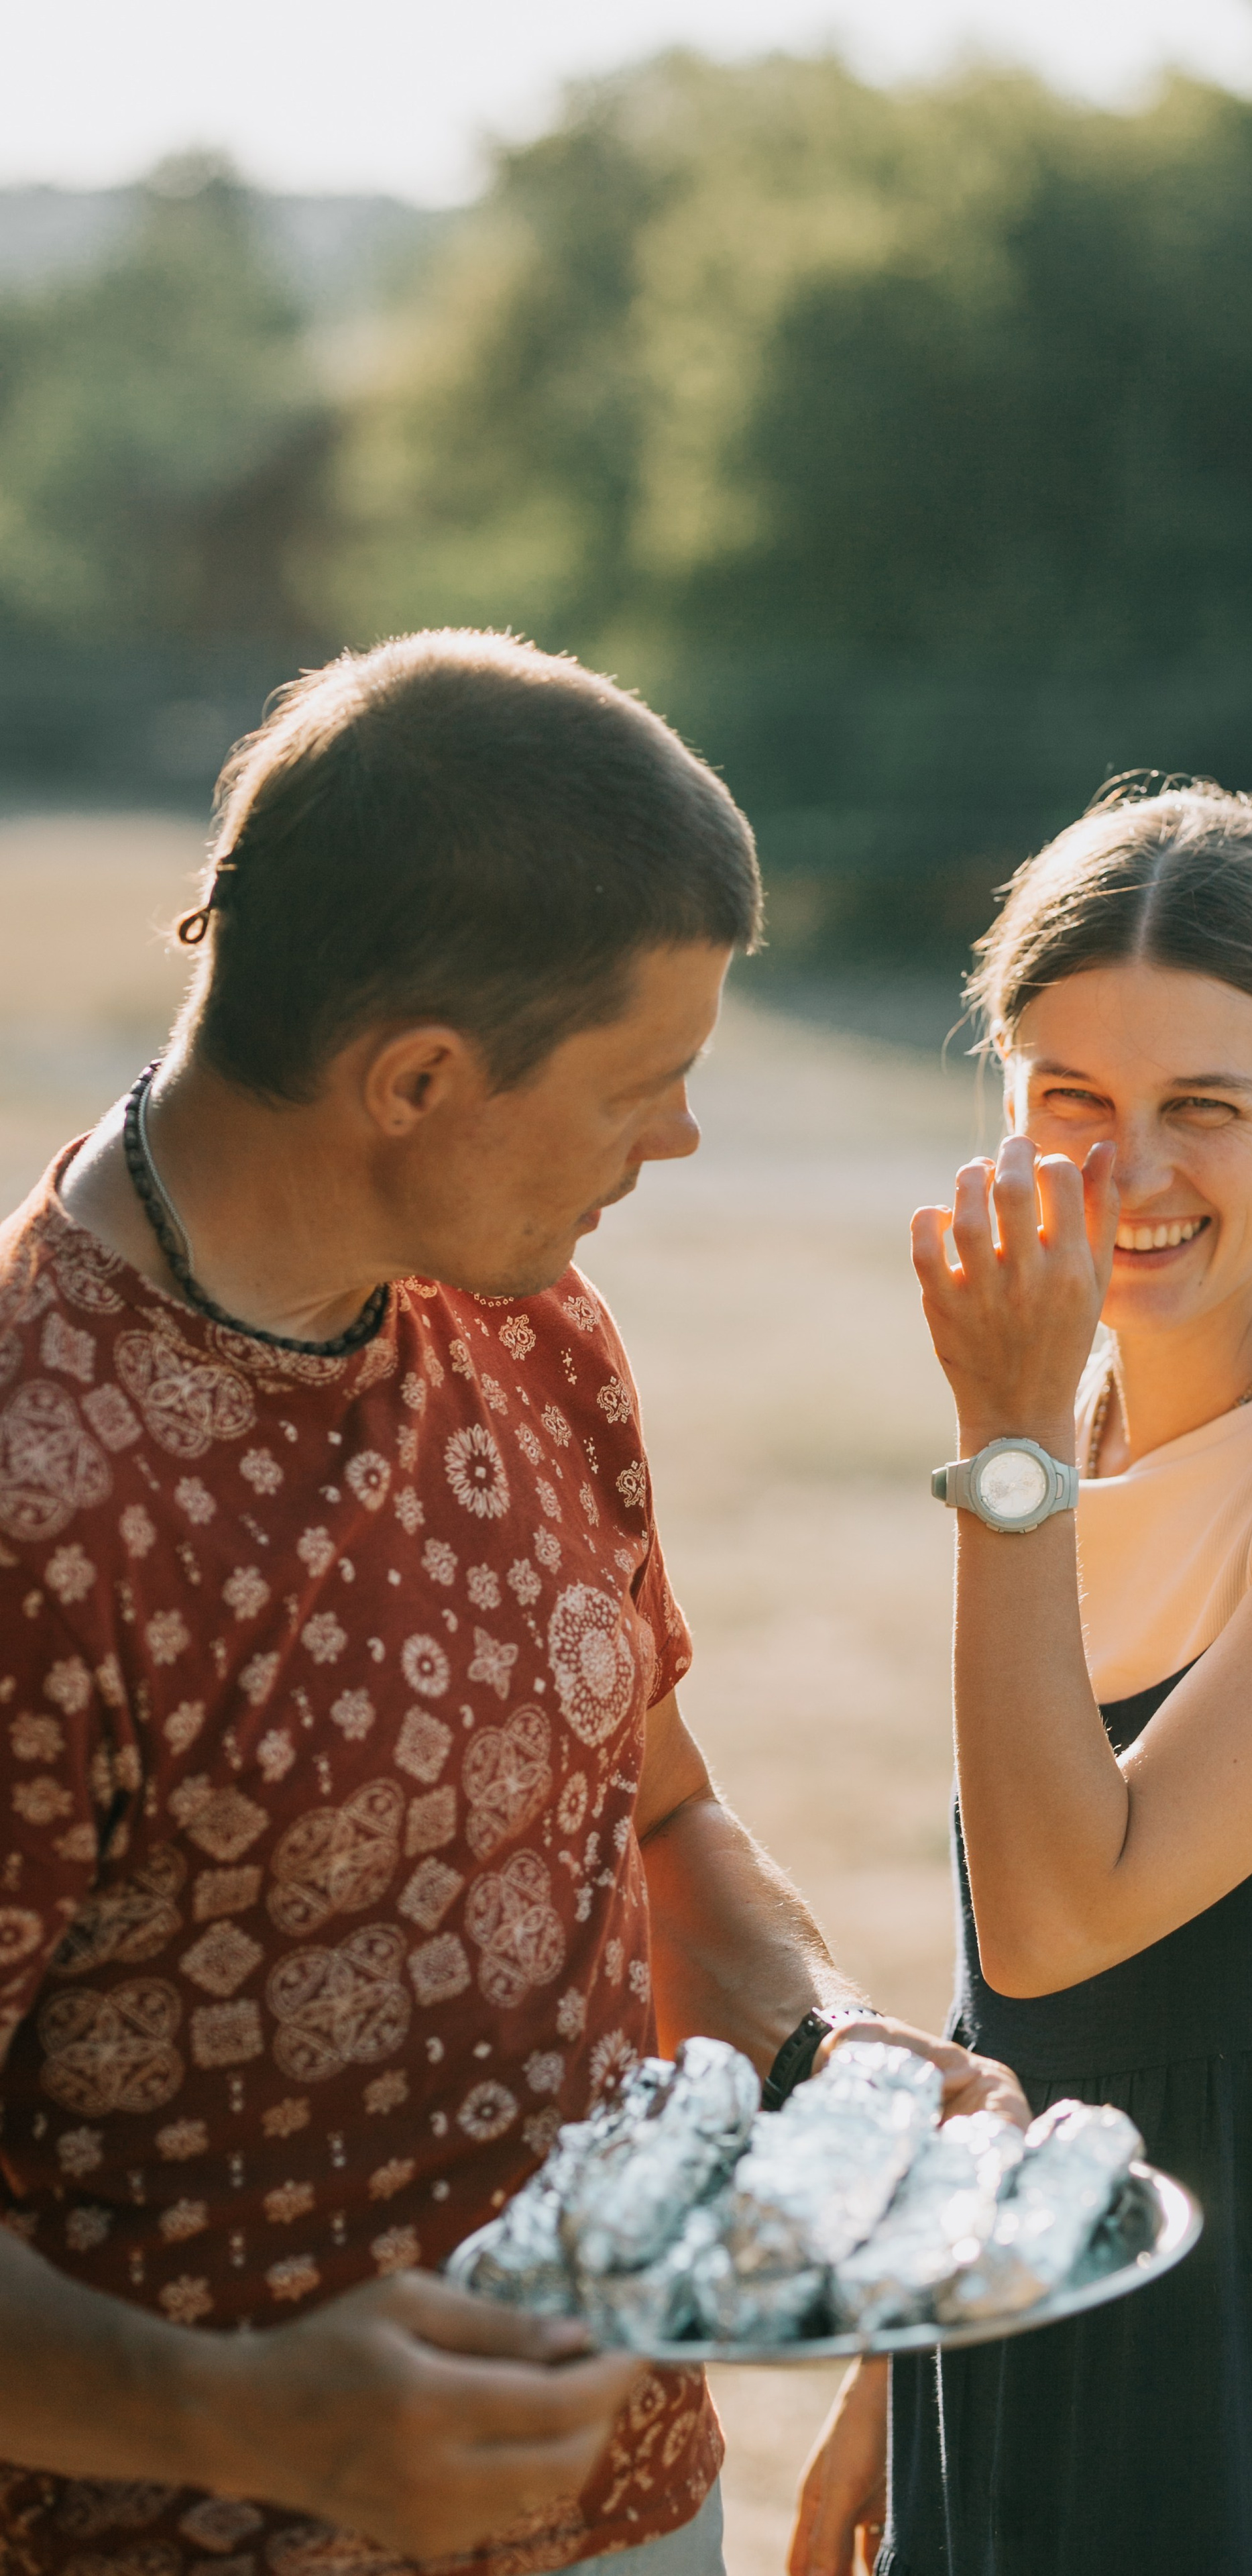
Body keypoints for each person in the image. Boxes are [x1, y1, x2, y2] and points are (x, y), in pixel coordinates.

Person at [0, 630, 1018, 2576]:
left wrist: (822, 2043)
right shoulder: (33, 1497)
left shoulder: (534, 1323)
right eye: (647, 1081)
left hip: (642, 2514)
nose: (682, 1137)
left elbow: (651, 1819)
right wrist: (241, 2414)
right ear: (416, 1080)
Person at [792, 784, 1252, 2576]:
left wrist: (1011, 1444)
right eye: (1071, 1102)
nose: (1127, 1171)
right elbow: (1013, 2010)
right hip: (1014, 2303)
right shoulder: (1069, 1431)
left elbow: (1059, 1914)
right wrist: (901, 2354)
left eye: (1204, 1108)